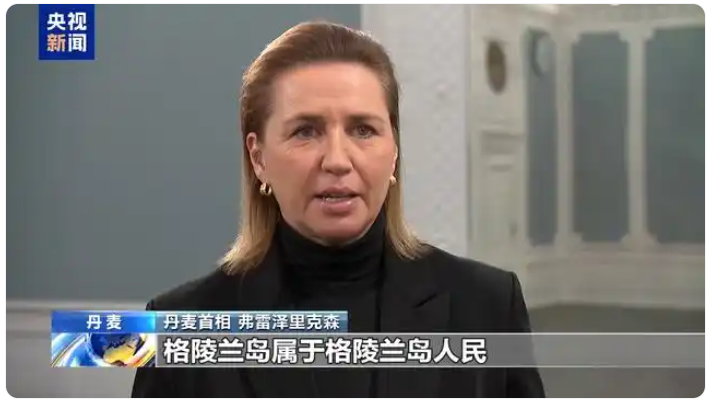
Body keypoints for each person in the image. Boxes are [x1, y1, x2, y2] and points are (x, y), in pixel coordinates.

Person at [132, 21, 545, 398]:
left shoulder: (487, 306)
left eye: (363, 130)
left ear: (394, 150)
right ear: (258, 158)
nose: (337, 160)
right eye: (306, 131)